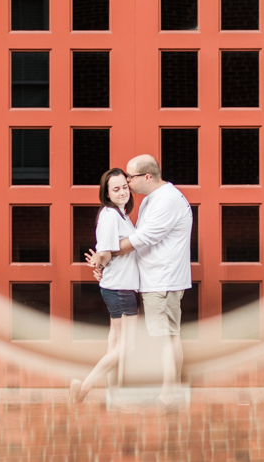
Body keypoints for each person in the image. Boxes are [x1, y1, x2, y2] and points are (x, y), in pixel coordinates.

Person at [87, 155, 192, 406]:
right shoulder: (148, 201)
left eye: (129, 178)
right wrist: (105, 261)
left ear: (146, 177)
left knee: (165, 336)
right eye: (119, 185)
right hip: (154, 281)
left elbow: (142, 239)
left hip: (162, 281)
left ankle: (168, 394)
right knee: (163, 336)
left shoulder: (165, 200)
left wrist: (105, 256)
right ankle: (167, 390)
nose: (127, 182)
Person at [68, 168, 139, 406]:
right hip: (120, 288)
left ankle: (113, 397)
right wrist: (100, 260)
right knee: (127, 347)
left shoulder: (121, 214)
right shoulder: (110, 214)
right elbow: (106, 250)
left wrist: (101, 263)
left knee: (115, 345)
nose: (122, 193)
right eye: (115, 189)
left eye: (124, 187)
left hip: (117, 286)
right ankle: (83, 388)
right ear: (107, 193)